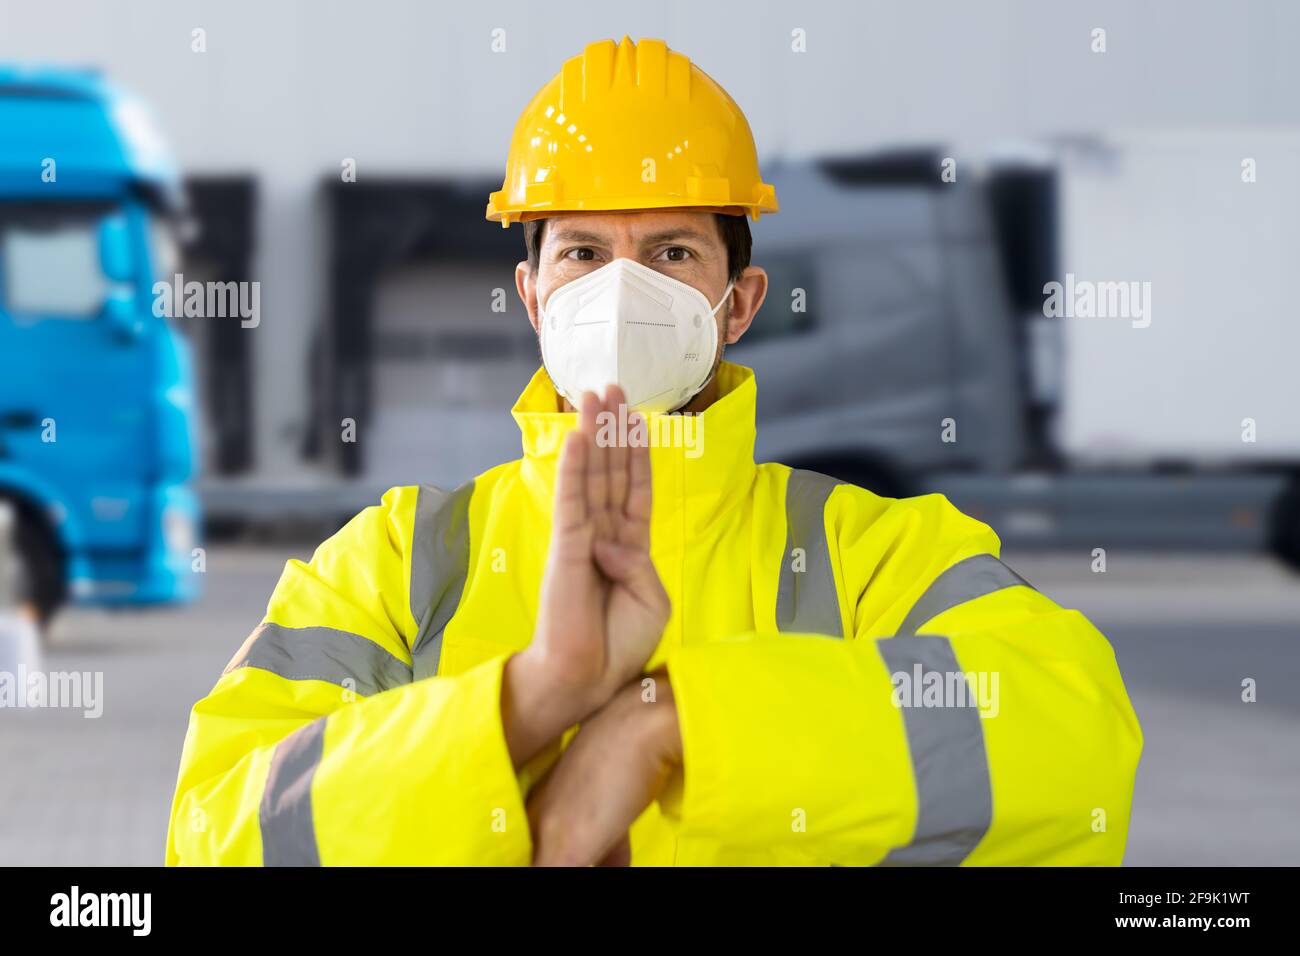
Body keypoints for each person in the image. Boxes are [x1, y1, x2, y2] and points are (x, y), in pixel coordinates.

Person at [166, 36, 1142, 866]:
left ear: (741, 302)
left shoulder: (871, 551)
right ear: (533, 292)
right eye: (583, 251)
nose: (623, 290)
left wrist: (668, 721)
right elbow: (216, 828)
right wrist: (528, 699)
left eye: (672, 252)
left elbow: (1081, 739)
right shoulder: (395, 562)